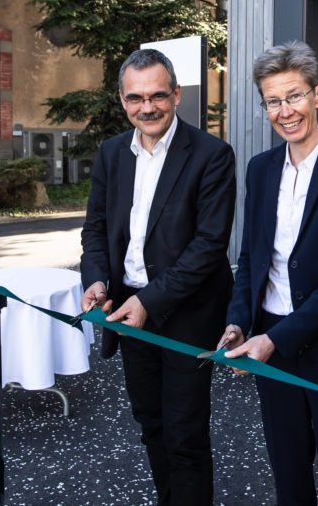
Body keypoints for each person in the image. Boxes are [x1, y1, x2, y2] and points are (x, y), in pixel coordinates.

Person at [221, 41, 318, 506]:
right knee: (288, 474)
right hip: (271, 341)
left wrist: (276, 339)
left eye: (294, 96)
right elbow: (251, 258)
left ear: (317, 96)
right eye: (273, 100)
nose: (285, 111)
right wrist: (238, 322)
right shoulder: (261, 168)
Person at [80, 47, 236, 506]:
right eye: (135, 98)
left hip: (186, 315)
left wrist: (150, 301)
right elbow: (96, 228)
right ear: (122, 99)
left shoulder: (212, 155)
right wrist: (96, 280)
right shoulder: (112, 153)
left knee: (185, 434)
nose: (147, 107)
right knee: (150, 421)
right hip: (127, 310)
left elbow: (208, 247)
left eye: (157, 96)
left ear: (176, 95)